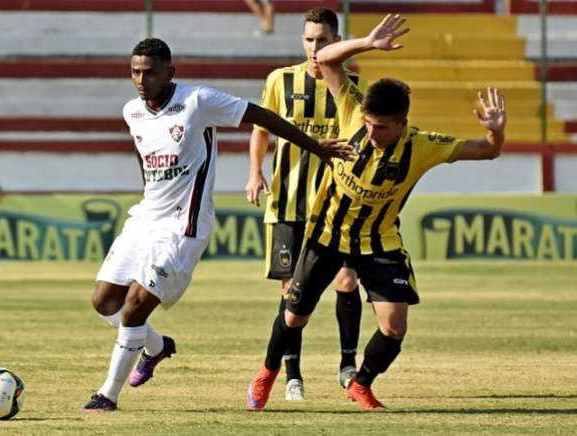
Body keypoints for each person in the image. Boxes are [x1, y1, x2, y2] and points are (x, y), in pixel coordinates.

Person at [247, 14, 507, 411]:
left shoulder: (423, 145)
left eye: (382, 128)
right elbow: (328, 60)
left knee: (394, 327)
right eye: (368, 124)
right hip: (327, 234)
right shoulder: (351, 111)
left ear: (403, 124)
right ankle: (266, 373)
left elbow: (488, 150)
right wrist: (368, 42)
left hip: (378, 241)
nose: (371, 132)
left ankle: (360, 382)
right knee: (295, 316)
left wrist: (496, 131)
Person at [82, 37, 354, 412]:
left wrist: (317, 146)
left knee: (133, 308)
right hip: (146, 217)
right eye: (135, 72)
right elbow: (143, 155)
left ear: (170, 73)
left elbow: (262, 116)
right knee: (103, 301)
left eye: (149, 72)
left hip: (183, 226)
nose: (141, 80)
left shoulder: (199, 101)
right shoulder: (133, 111)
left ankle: (106, 396)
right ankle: (157, 348)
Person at [245, 7, 366, 401]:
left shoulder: (352, 85)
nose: (316, 48)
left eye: (324, 41)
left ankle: (348, 365)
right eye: (309, 40)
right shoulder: (280, 80)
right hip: (288, 204)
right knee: (292, 293)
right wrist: (254, 171)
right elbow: (262, 130)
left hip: (337, 208)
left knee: (346, 281)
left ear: (337, 41)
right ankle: (292, 374)